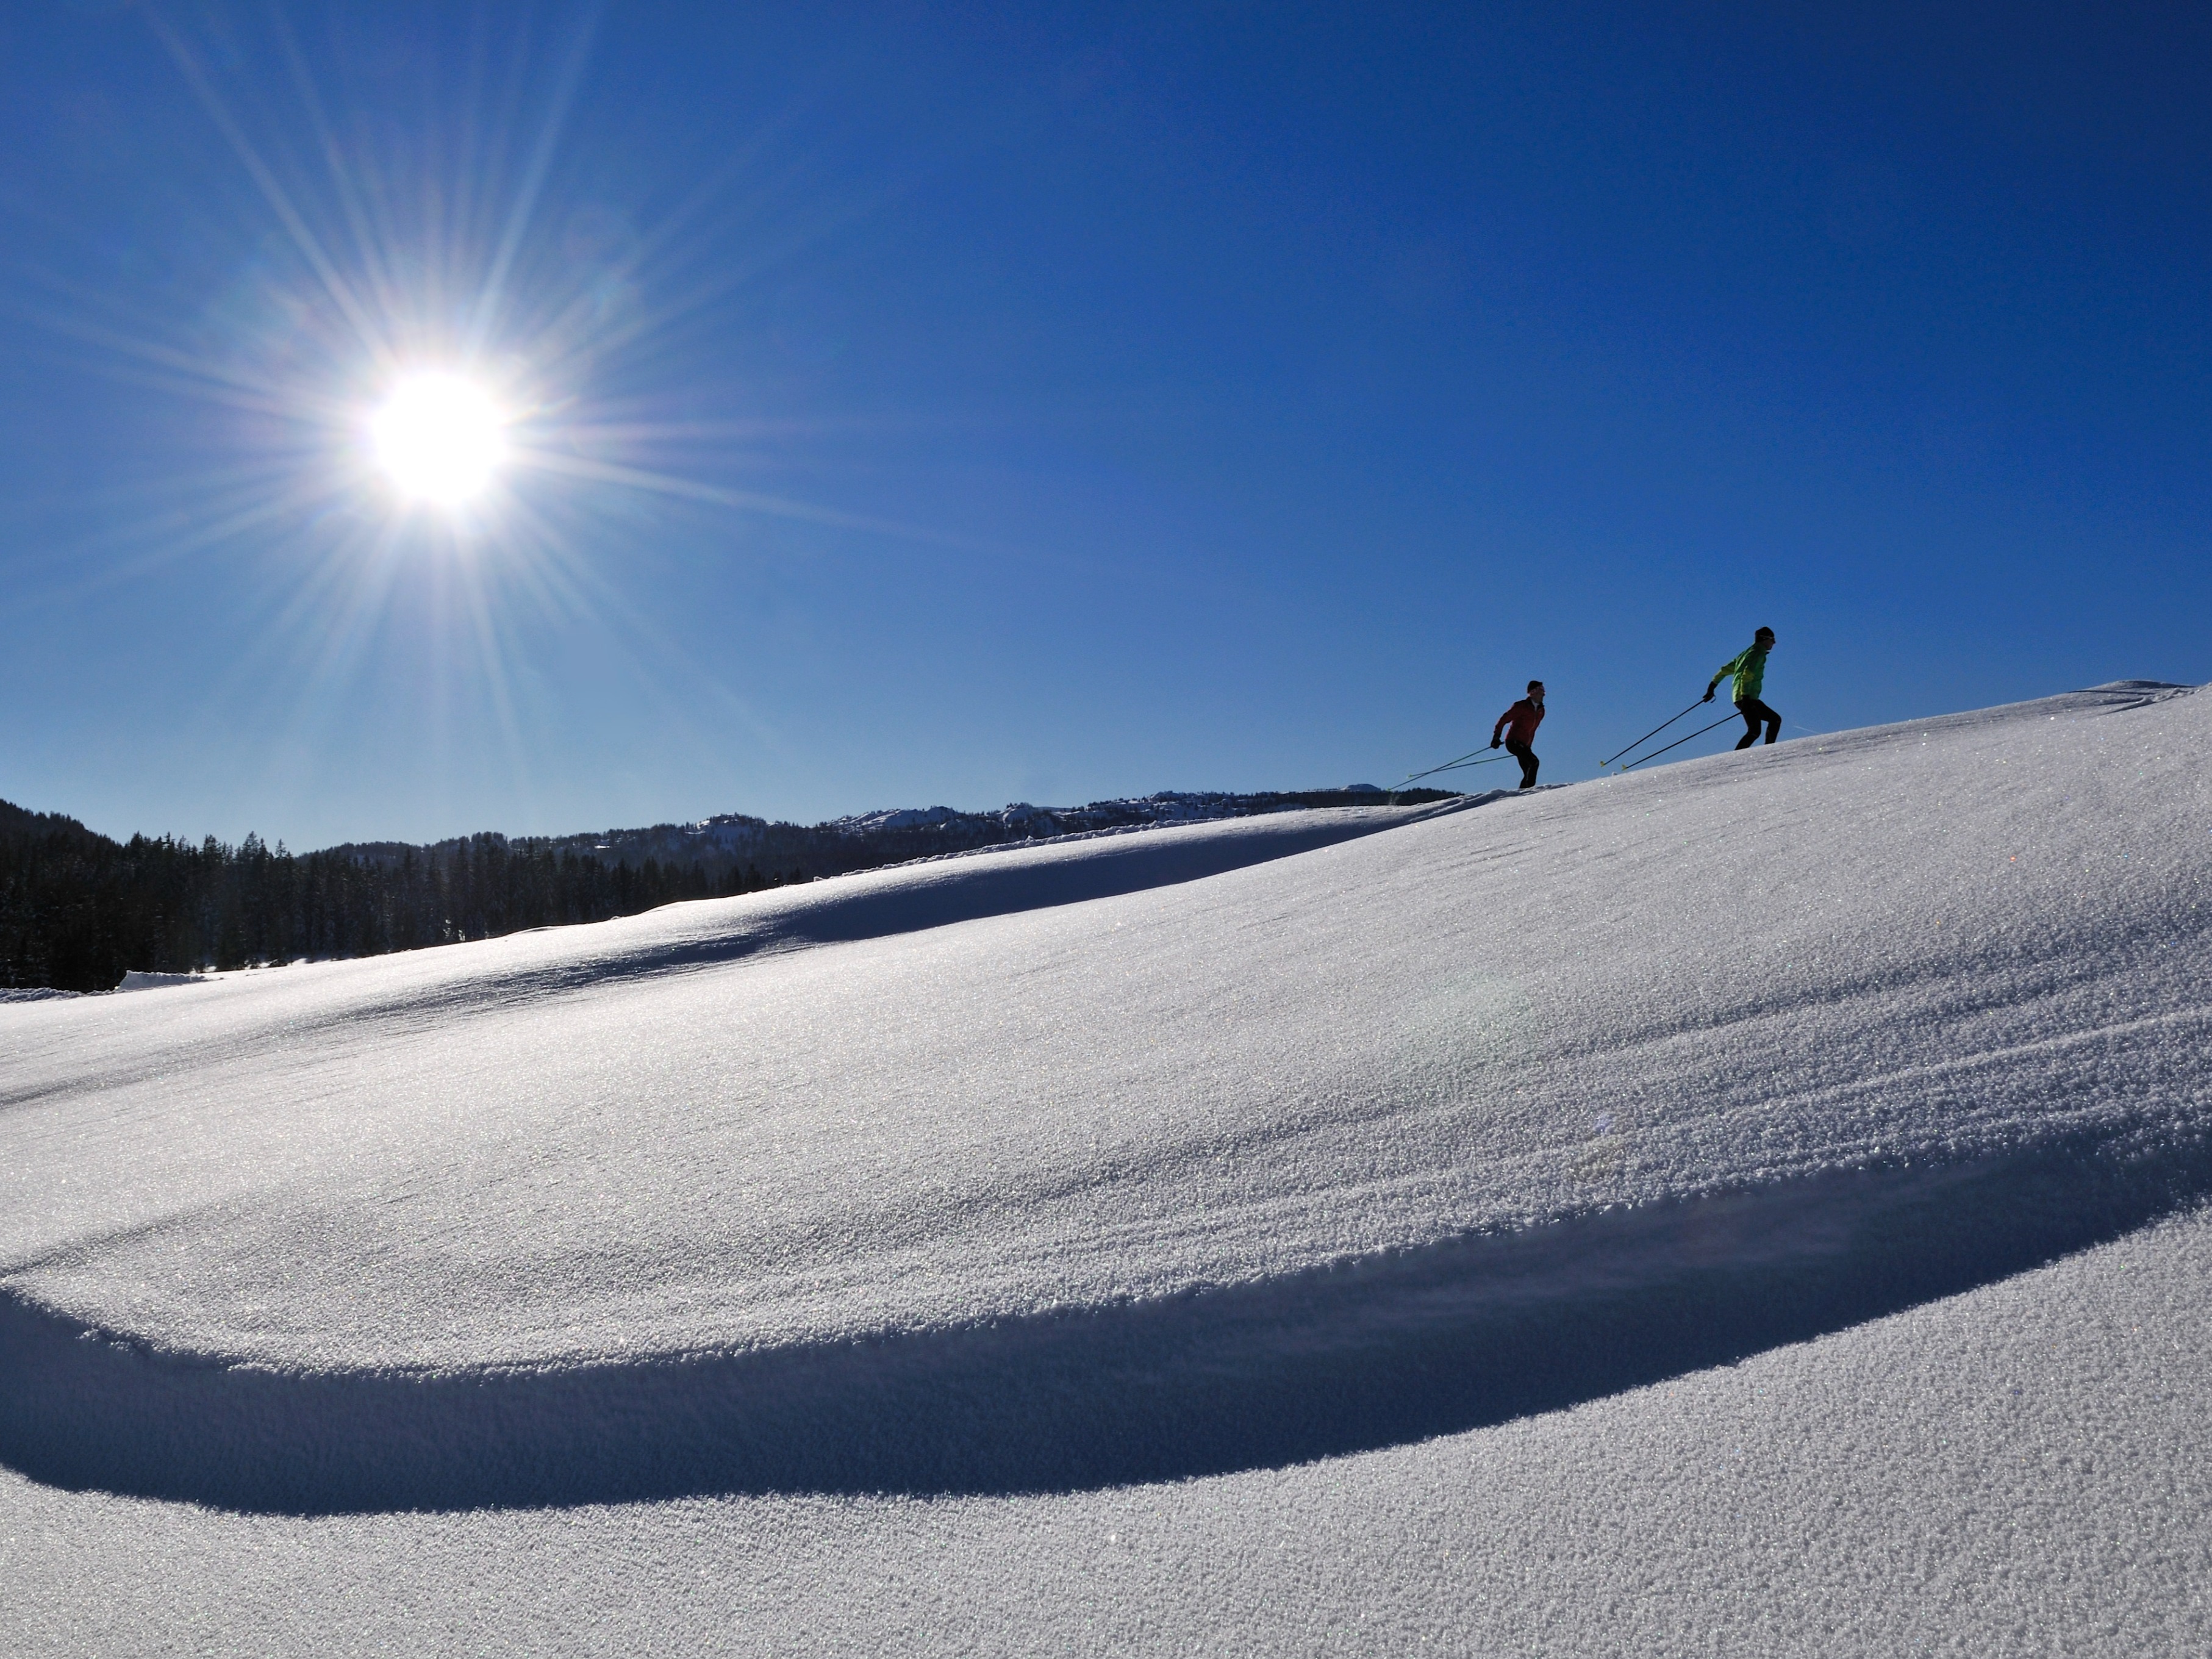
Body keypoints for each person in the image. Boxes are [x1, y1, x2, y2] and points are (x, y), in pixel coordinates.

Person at [1705, 628, 1780, 748]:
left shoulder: (1746, 654)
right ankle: (1766, 752)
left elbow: (1724, 670)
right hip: (1747, 697)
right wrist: (1746, 697)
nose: (1774, 643)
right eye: (1773, 639)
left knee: (1764, 726)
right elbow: (1748, 674)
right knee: (1762, 727)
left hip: (1742, 698)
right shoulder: (1758, 653)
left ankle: (1765, 750)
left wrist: (1711, 688)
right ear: (1765, 639)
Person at [1491, 680, 1546, 789]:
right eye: (1541, 690)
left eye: (1544, 691)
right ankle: (1528, 794)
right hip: (1513, 742)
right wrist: (1496, 736)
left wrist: (1528, 748)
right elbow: (1504, 719)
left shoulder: (1541, 711)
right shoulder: (1521, 706)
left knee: (1528, 771)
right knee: (1534, 763)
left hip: (1525, 745)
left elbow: (1532, 731)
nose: (1543, 694)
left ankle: (1521, 795)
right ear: (1533, 692)